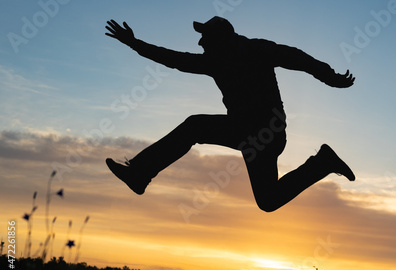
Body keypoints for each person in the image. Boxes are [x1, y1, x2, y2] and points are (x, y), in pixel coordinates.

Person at [105, 16, 355, 212]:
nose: (200, 43)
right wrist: (134, 44)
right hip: (256, 136)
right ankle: (323, 163)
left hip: (262, 131)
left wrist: (329, 76)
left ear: (220, 39)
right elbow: (174, 59)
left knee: (194, 126)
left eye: (204, 38)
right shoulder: (217, 59)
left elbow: (298, 58)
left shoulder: (255, 50)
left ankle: (139, 174)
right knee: (268, 201)